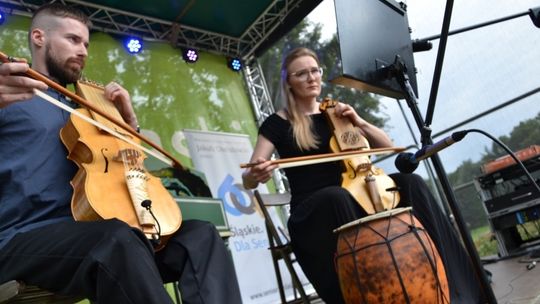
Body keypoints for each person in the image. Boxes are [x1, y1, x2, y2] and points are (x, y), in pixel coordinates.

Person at [0, 3, 242, 304]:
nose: (83, 50)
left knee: (200, 236)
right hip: (23, 238)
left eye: (86, 43)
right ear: (39, 37)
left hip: (96, 231)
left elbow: (125, 171)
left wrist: (127, 124)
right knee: (115, 239)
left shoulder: (88, 110)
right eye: (73, 40)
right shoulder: (9, 94)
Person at [242, 47, 486, 304]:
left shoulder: (335, 111)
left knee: (410, 182)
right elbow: (249, 177)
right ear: (288, 82)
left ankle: (461, 291)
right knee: (336, 197)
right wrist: (256, 173)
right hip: (314, 211)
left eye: (315, 71)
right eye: (301, 74)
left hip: (359, 194)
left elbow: (387, 146)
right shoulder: (277, 123)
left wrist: (359, 122)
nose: (311, 78)